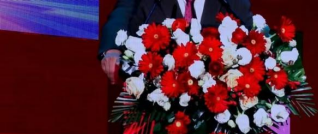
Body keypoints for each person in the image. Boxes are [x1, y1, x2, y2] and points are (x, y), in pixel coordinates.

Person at [98, 0, 253, 84]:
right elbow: (122, 13)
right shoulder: (149, 4)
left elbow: (250, 33)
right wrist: (112, 48)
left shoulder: (230, 4)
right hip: (156, 100)